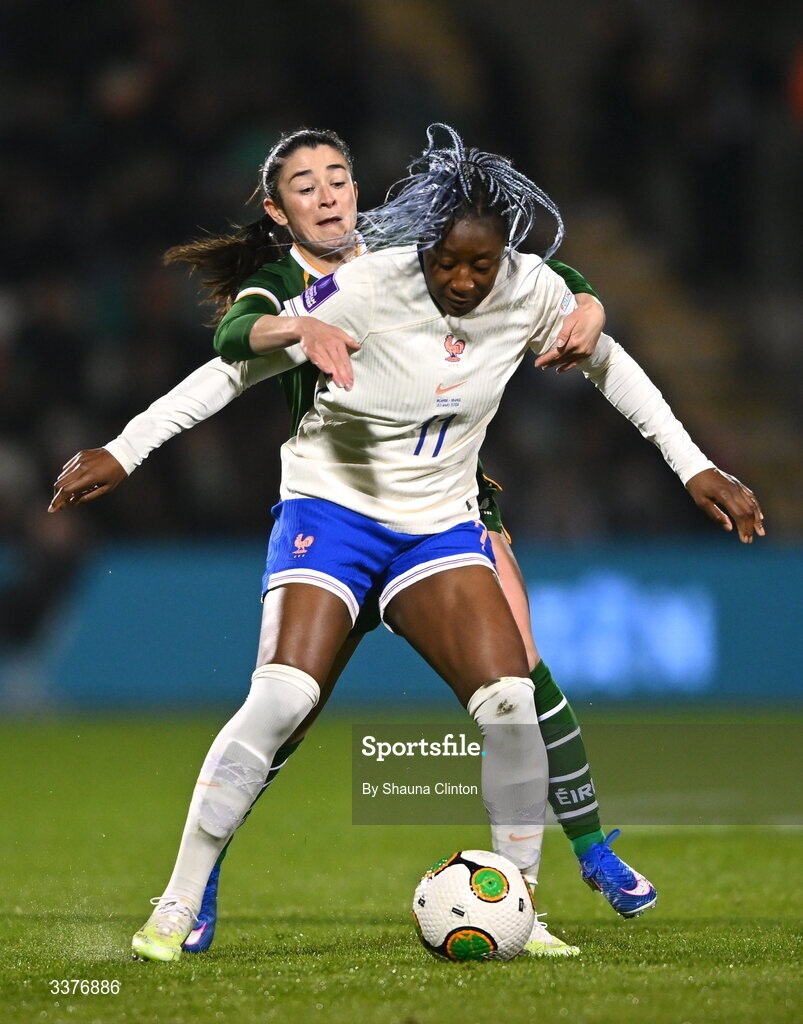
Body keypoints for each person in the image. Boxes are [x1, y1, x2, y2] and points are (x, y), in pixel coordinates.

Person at [50, 126, 763, 963]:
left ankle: (522, 909)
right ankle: (178, 901)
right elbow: (230, 360)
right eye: (446, 265)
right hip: (334, 512)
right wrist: (125, 448)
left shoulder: (524, 285)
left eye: (480, 266)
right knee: (282, 701)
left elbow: (606, 357)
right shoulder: (360, 284)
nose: (462, 282)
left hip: (439, 522)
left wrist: (694, 466)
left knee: (510, 701)